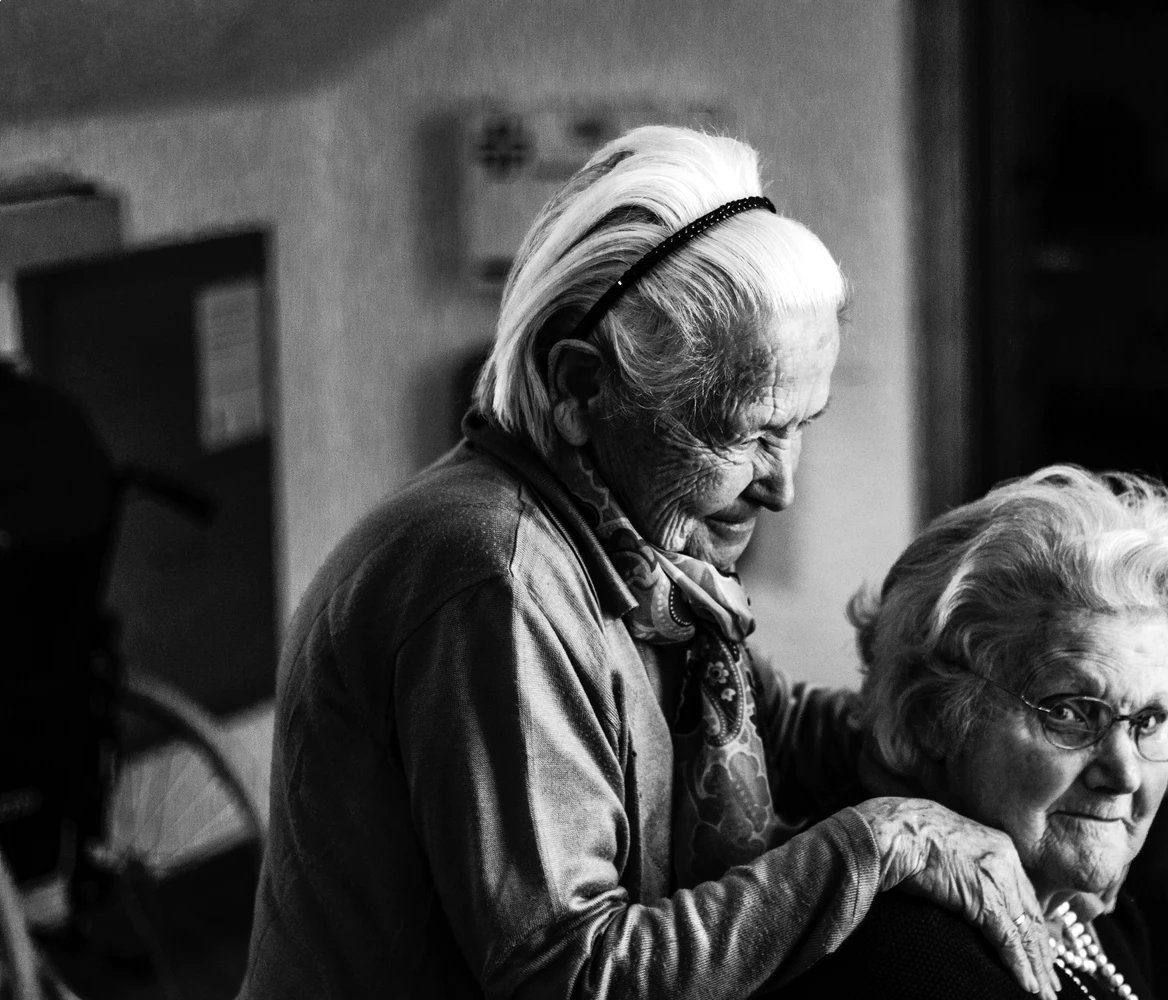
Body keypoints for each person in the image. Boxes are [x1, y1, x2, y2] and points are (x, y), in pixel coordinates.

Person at [239, 127, 1061, 999]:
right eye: (749, 434)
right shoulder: (495, 580)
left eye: (801, 428)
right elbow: (572, 973)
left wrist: (1005, 731)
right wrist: (878, 845)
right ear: (581, 387)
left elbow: (780, 730)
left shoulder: (634, 556)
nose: (783, 488)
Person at [768, 465, 1168, 999]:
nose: (1124, 774)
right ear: (933, 719)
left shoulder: (1096, 900)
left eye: (1148, 721)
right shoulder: (911, 955)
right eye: (1072, 713)